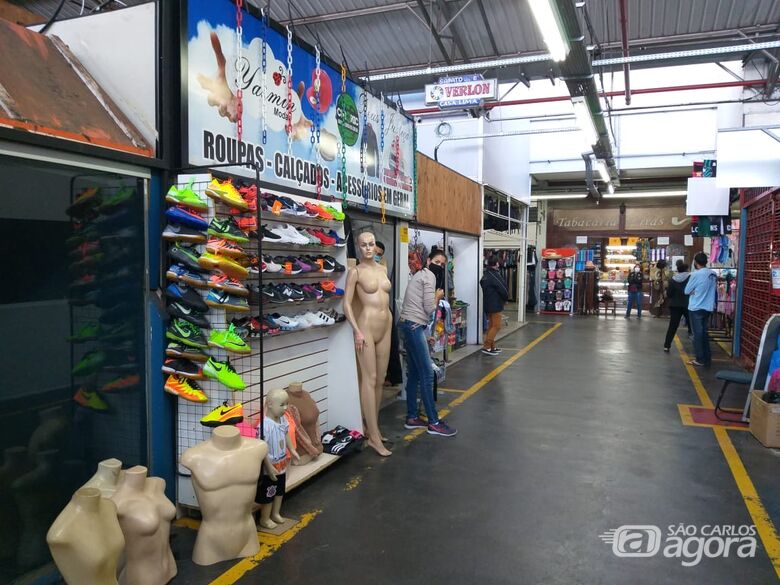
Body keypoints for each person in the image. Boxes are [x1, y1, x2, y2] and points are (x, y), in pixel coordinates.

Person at [343, 232, 394, 456]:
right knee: (369, 378)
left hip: (387, 324)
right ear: (358, 247)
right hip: (366, 325)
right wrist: (356, 331)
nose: (368, 248)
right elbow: (346, 304)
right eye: (363, 245)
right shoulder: (355, 272)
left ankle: (374, 428)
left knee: (380, 380)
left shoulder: (382, 269)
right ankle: (372, 436)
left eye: (371, 244)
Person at [399, 250, 457, 437]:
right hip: (414, 326)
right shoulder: (430, 276)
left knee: (415, 373)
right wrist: (438, 297)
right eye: (437, 261)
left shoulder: (421, 274)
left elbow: (415, 307)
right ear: (429, 260)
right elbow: (428, 307)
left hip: (410, 326)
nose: (439, 266)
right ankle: (433, 422)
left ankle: (412, 417)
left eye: (442, 264)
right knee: (427, 374)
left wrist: (424, 335)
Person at [685, 252, 717, 367]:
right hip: (708, 307)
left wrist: (695, 292)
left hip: (696, 307)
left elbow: (687, 290)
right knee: (704, 333)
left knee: (697, 334)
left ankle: (700, 359)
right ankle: (707, 357)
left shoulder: (695, 274)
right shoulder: (713, 274)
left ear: (696, 262)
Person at [480, 256, 509, 356]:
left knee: (491, 325)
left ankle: (491, 346)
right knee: (497, 326)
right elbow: (503, 288)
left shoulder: (486, 274)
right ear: (496, 263)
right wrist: (506, 298)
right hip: (495, 303)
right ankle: (487, 346)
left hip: (488, 303)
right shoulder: (495, 275)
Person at [663, 262, 691, 352]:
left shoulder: (672, 280)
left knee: (673, 325)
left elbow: (669, 294)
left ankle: (667, 345)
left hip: (675, 305)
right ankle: (696, 346)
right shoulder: (690, 278)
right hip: (687, 304)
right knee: (692, 325)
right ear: (687, 270)